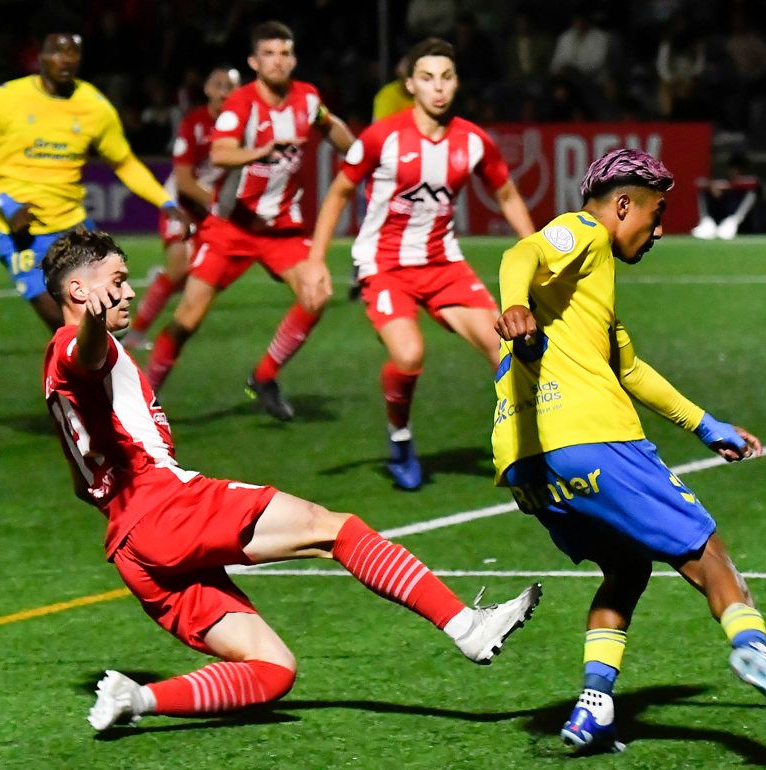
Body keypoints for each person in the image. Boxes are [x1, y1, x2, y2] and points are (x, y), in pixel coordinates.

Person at [40, 226, 542, 733]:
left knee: (272, 669)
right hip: (167, 507)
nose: (130, 292)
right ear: (79, 291)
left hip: (131, 546)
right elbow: (85, 355)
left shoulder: (56, 372)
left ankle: (136, 698)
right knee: (336, 530)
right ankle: (466, 626)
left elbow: (83, 482)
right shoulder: (76, 347)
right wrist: (94, 325)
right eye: (117, 281)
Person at [491, 149, 766, 753]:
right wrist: (513, 302)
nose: (661, 229)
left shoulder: (581, 300)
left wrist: (707, 426)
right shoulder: (584, 231)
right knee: (707, 553)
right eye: (657, 213)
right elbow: (522, 252)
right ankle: (756, 654)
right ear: (623, 205)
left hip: (527, 467)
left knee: (627, 568)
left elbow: (631, 370)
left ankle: (593, 707)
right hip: (593, 440)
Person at [305, 37, 535, 490]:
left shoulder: (473, 141)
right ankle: (400, 437)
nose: (438, 87)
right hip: (384, 266)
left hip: (443, 264)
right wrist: (316, 260)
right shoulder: (383, 137)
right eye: (427, 78)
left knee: (506, 347)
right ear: (410, 85)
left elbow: (506, 194)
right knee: (409, 356)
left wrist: (536, 251)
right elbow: (339, 192)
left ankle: (520, 446)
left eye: (446, 77)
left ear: (457, 83)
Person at [144, 21, 355, 422]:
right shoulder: (241, 103)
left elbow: (330, 126)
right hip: (232, 228)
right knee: (187, 319)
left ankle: (264, 376)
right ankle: (143, 397)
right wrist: (259, 151)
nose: (278, 61)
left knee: (316, 293)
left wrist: (360, 154)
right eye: (269, 54)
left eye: (285, 53)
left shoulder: (308, 98)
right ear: (254, 62)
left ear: (294, 59)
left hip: (282, 229)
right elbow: (221, 152)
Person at [0, 26, 192, 332]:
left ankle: (108, 358)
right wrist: (7, 203)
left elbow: (124, 162)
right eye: (57, 51)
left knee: (104, 318)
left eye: (73, 52)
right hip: (22, 233)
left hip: (72, 226)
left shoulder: (94, 105)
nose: (65, 59)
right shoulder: (6, 98)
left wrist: (166, 202)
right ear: (41, 57)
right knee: (65, 322)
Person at [126, 66, 240, 351]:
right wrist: (218, 205)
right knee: (179, 267)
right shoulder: (194, 124)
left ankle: (162, 285)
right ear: (207, 90)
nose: (224, 91)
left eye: (230, 86)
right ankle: (135, 335)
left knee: (202, 275)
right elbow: (185, 182)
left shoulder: (243, 128)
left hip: (210, 208)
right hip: (181, 203)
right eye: (218, 85)